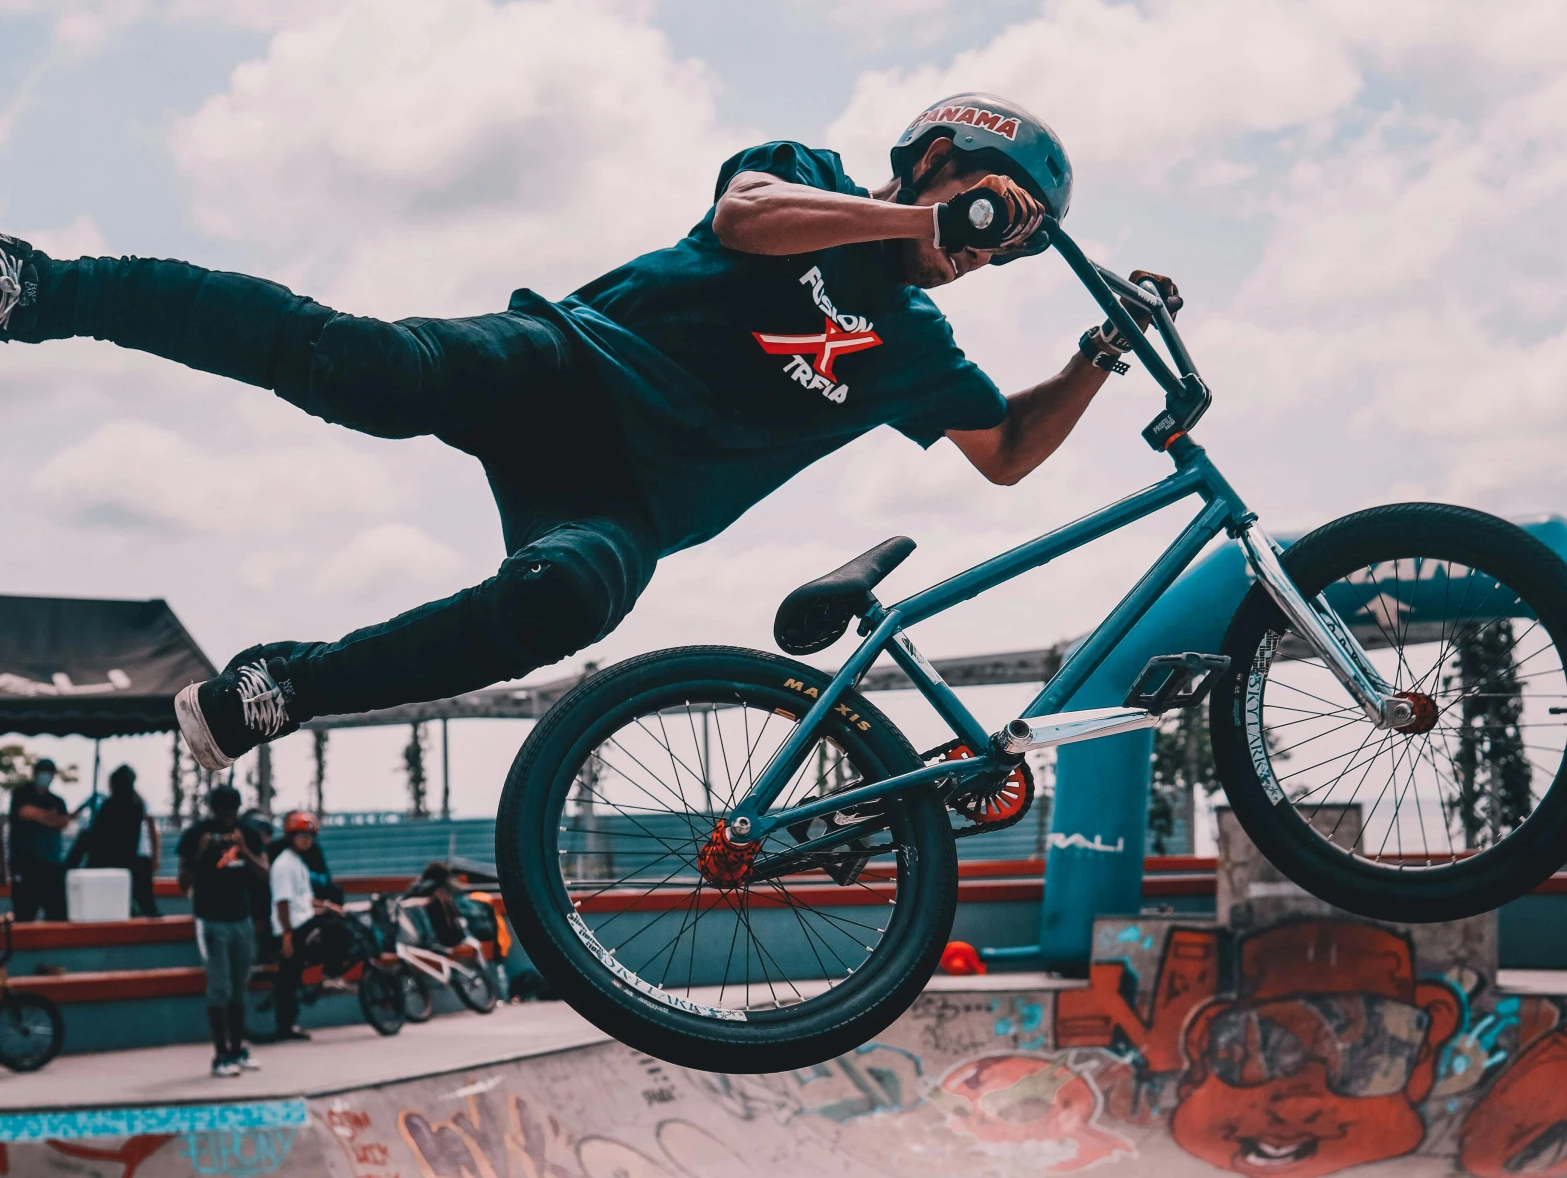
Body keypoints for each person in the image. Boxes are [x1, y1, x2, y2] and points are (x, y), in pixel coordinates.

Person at [0, 95, 1178, 767]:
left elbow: (1007, 452)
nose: (978, 250)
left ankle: (282, 686)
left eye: (1004, 246)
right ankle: (44, 290)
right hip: (560, 368)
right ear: (933, 161)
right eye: (983, 211)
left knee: (571, 603)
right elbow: (744, 216)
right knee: (365, 369)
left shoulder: (919, 353)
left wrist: (1097, 350)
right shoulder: (808, 179)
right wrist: (917, 214)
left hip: (626, 502)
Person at [178, 781, 270, 1076]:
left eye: (231, 811)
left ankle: (236, 1048)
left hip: (240, 920)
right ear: (213, 810)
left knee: (239, 988)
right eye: (222, 811)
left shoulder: (248, 834)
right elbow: (183, 883)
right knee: (219, 988)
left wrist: (243, 849)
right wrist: (200, 855)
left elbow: (264, 873)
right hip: (211, 919)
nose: (227, 817)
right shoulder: (196, 834)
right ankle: (220, 1055)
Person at [269, 809, 325, 1042]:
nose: (306, 840)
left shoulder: (299, 863)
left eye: (309, 836)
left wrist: (326, 906)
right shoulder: (284, 865)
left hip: (301, 922)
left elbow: (303, 898)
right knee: (288, 980)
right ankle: (285, 1025)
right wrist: (287, 935)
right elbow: (282, 901)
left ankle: (289, 1022)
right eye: (301, 835)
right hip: (291, 928)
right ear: (290, 836)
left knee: (291, 978)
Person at [76, 764, 161, 917]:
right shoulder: (136, 804)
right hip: (129, 860)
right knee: (142, 904)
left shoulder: (111, 806)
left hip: (115, 861)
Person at [6, 756, 70, 922]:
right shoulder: (21, 794)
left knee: (56, 913)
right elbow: (26, 812)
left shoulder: (57, 800)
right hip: (25, 864)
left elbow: (63, 822)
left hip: (51, 865)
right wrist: (49, 817)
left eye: (49, 773)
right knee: (24, 912)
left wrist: (39, 815)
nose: (46, 776)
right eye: (43, 772)